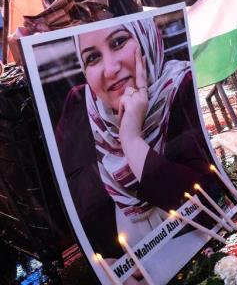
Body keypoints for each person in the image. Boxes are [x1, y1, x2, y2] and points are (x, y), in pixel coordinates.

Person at [55, 18, 224, 259]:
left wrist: (131, 138)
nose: (110, 69)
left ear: (145, 38)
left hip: (206, 256)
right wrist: (106, 263)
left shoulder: (181, 86)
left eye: (119, 41)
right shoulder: (81, 107)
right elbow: (77, 208)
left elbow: (210, 209)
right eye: (92, 58)